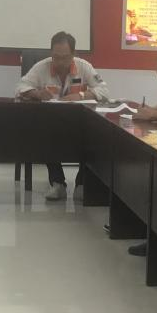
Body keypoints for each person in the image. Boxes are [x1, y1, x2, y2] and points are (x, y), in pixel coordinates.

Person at [16, 30, 111, 202]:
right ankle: (57, 183)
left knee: (95, 134)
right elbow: (20, 87)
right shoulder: (41, 67)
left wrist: (81, 95)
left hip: (79, 124)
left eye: (65, 57)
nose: (60, 62)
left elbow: (104, 91)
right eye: (56, 57)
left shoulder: (84, 66)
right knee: (44, 133)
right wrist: (36, 93)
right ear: (51, 53)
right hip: (51, 123)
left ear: (73, 54)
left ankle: (81, 183)